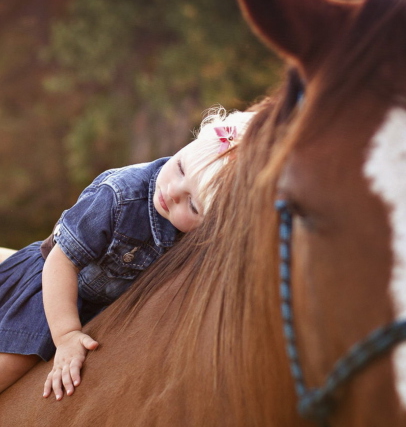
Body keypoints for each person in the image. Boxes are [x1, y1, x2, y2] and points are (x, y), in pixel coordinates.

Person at [0, 107, 254, 399]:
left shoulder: (202, 239)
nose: (173, 191)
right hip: (53, 288)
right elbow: (61, 261)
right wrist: (67, 335)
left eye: (193, 205)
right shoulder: (120, 195)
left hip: (107, 310)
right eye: (181, 168)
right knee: (13, 366)